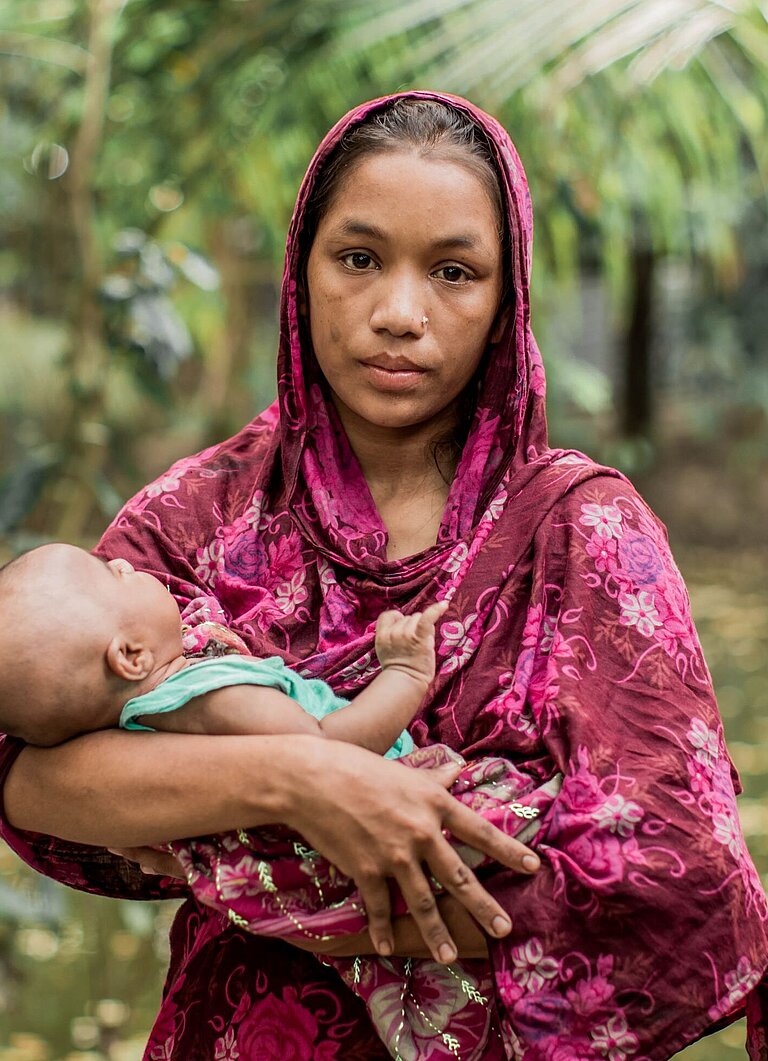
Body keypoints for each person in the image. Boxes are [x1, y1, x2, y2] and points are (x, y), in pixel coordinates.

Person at [1, 91, 766, 1060]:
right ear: (302, 273)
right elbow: (31, 775)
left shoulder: (584, 530)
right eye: (358, 258)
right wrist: (305, 774)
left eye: (453, 270)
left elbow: (681, 863)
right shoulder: (201, 515)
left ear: (505, 302)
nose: (399, 313)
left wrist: (376, 879)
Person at [0, 541, 444, 758]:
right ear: (132, 657)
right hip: (394, 786)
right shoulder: (214, 695)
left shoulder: (137, 728)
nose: (121, 560)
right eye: (116, 576)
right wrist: (405, 675)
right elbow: (329, 750)